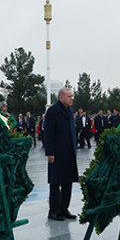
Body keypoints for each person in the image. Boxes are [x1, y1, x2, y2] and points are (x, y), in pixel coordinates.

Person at [44, 87, 78, 221]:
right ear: (61, 97)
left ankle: (64, 209)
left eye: (72, 96)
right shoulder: (52, 111)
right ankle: (54, 211)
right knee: (55, 182)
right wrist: (50, 152)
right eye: (69, 96)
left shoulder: (69, 111)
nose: (71, 99)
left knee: (68, 182)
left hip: (69, 152)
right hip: (57, 153)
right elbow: (48, 133)